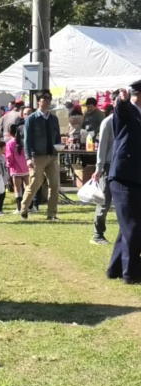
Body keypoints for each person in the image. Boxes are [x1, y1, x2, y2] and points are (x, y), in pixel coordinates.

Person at [106, 83, 141, 284]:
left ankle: (115, 268)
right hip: (122, 177)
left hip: (136, 177)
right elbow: (121, 109)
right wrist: (122, 100)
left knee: (128, 226)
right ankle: (131, 273)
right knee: (133, 227)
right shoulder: (128, 111)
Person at [20, 90, 60, 221]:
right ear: (38, 102)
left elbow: (57, 136)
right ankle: (24, 207)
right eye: (44, 99)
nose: (47, 101)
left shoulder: (54, 118)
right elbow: (27, 140)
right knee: (35, 183)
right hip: (37, 156)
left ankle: (52, 214)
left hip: (52, 156)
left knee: (54, 185)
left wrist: (59, 146)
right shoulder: (31, 119)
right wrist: (28, 158)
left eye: (49, 99)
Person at [90, 98, 116, 245]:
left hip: (125, 165)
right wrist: (99, 168)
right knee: (104, 201)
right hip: (108, 165)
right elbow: (102, 147)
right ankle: (97, 234)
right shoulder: (108, 122)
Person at [5, 123, 29, 214]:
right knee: (28, 188)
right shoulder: (24, 141)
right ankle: (30, 206)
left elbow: (9, 157)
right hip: (26, 167)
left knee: (17, 189)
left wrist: (8, 165)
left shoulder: (10, 143)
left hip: (15, 168)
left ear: (10, 133)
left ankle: (19, 208)